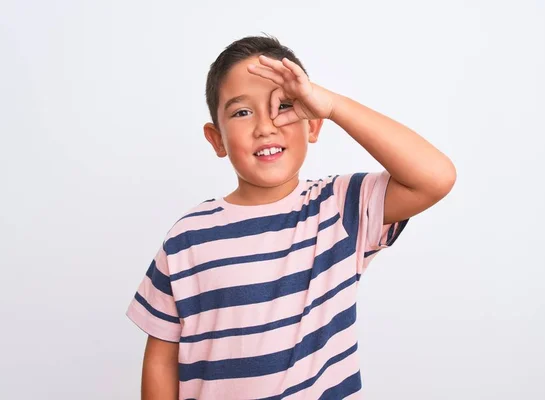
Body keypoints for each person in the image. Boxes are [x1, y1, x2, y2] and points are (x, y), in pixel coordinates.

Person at [126, 34, 456, 400]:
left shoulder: (339, 210)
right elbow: (161, 359)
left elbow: (435, 177)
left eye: (283, 106)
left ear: (312, 124)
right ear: (216, 138)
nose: (265, 126)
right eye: (242, 112)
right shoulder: (188, 237)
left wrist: (331, 104)